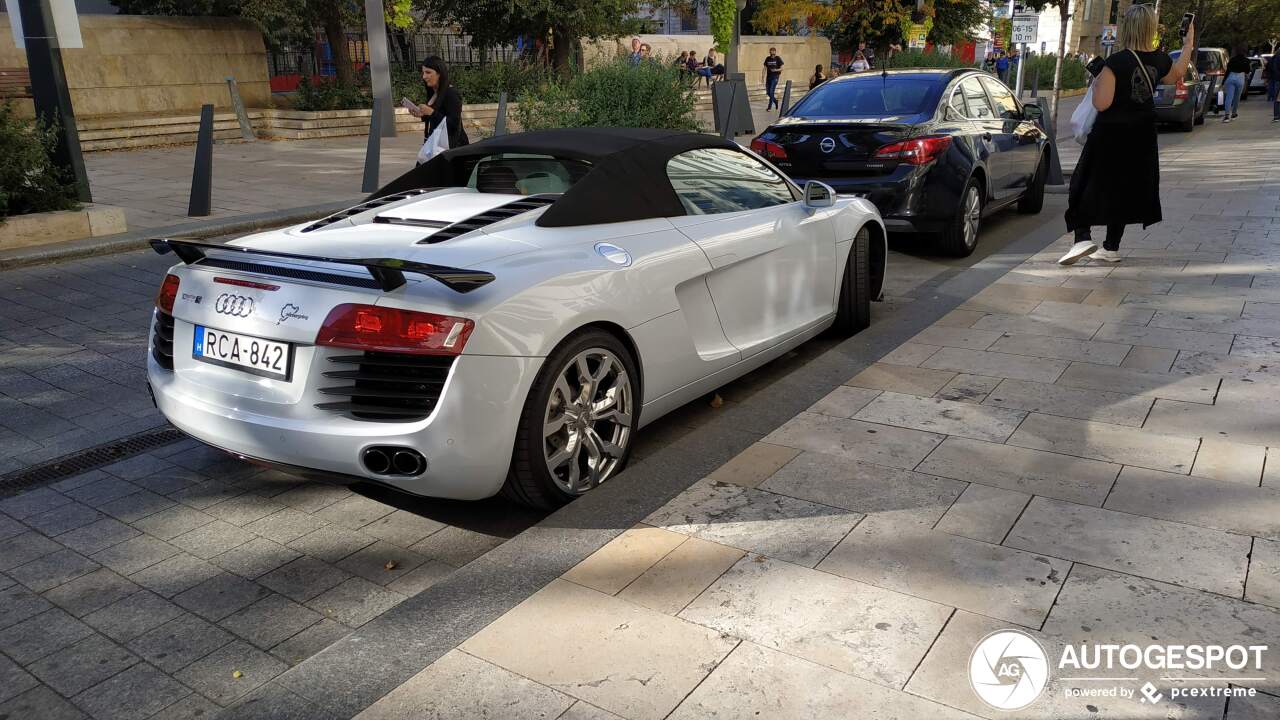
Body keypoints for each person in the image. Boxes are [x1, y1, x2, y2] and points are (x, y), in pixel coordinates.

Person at [1059, 6, 1194, 265]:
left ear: (1127, 29)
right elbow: (1176, 74)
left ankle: (1082, 237)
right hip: (1142, 136)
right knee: (1122, 188)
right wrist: (1188, 44)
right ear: (1150, 29)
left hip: (1110, 135)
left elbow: (1102, 103)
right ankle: (1111, 247)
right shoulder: (1160, 60)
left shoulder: (1116, 62)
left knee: (1083, 182)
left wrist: (1098, 78)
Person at [409, 56, 468, 164]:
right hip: (434, 146)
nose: (424, 76)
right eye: (423, 73)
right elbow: (437, 117)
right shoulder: (434, 93)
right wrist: (422, 114)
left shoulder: (451, 94)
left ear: (439, 73)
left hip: (449, 150)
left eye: (428, 72)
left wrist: (431, 112)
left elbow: (454, 124)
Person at [1223, 46, 1249, 122]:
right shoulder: (1246, 60)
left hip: (1231, 77)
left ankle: (1227, 116)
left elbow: (1227, 71)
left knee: (1229, 97)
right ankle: (1234, 113)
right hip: (1240, 77)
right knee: (1237, 98)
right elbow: (1247, 71)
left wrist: (1223, 81)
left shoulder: (1232, 60)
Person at [763, 46, 784, 110]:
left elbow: (782, 68)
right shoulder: (767, 58)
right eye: (771, 51)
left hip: (775, 77)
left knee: (771, 91)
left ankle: (769, 107)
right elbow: (764, 68)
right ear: (769, 52)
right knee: (768, 92)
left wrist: (775, 70)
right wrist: (762, 76)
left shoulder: (778, 58)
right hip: (768, 77)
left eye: (773, 51)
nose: (772, 52)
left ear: (775, 52)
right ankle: (775, 101)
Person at [1268, 51, 1280, 120]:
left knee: (1277, 98)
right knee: (1277, 98)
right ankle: (1277, 115)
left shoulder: (1274, 58)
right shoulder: (1277, 58)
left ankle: (1276, 115)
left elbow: (1273, 69)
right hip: (1278, 80)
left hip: (1276, 80)